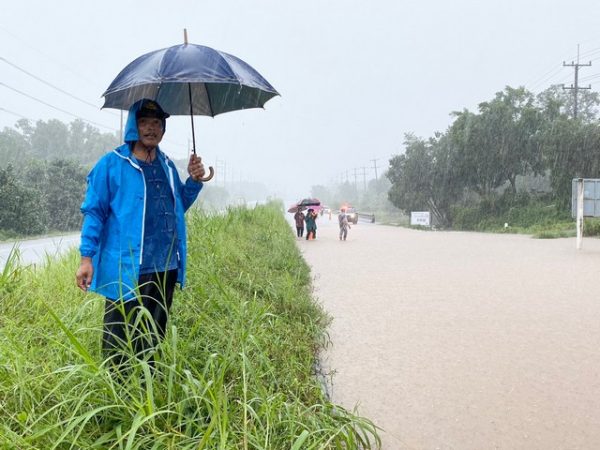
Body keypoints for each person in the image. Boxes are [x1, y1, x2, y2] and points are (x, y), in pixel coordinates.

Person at [75, 98, 206, 367]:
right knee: (118, 337)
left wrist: (193, 181)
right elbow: (94, 212)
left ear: (163, 128)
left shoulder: (167, 165)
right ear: (133, 126)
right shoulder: (111, 164)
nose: (151, 128)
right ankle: (117, 395)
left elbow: (177, 206)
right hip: (127, 266)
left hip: (165, 265)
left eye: (157, 123)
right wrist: (86, 258)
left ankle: (149, 384)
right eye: (144, 122)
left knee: (153, 334)